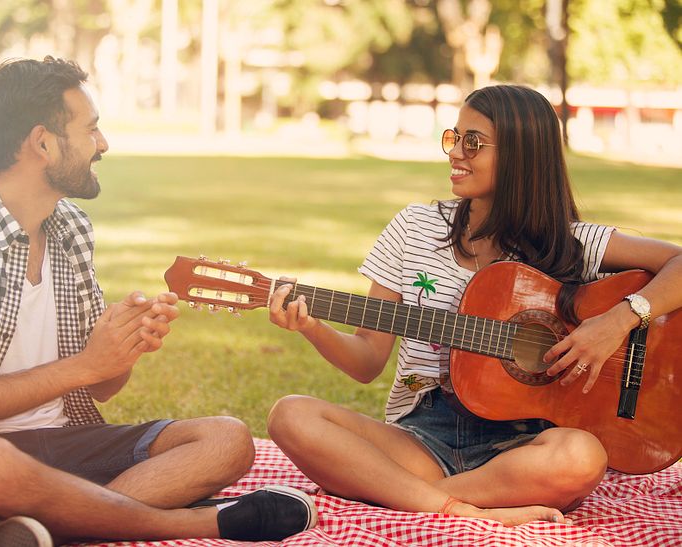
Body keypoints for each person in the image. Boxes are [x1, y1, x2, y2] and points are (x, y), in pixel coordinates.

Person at [0, 56, 316, 547]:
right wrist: (85, 364)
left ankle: (38, 528)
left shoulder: (71, 229)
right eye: (91, 129)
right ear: (42, 143)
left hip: (63, 442)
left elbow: (99, 386)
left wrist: (125, 345)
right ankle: (192, 523)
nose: (103, 144)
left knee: (226, 438)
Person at [265, 84, 682, 526]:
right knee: (291, 414)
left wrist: (619, 320)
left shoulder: (572, 241)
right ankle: (464, 506)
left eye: (473, 143)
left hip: (527, 450)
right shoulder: (414, 228)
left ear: (522, 156)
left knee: (582, 457)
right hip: (424, 438)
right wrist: (310, 326)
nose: (454, 153)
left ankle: (403, 495)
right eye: (454, 137)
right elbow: (368, 361)